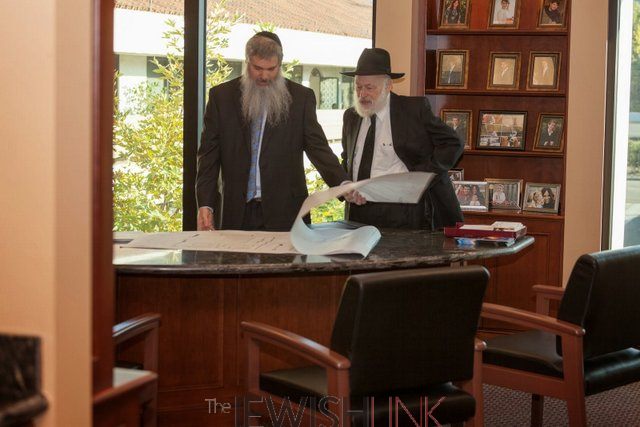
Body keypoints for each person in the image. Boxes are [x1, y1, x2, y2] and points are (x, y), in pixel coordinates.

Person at [196, 32, 350, 231]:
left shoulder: (300, 98)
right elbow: (208, 157)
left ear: (280, 65)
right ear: (247, 62)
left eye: (271, 69)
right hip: (236, 211)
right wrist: (205, 203)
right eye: (257, 68)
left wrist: (343, 184)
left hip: (286, 212)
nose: (264, 76)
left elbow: (318, 148)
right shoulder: (221, 97)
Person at [340, 48, 464, 229]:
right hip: (360, 211)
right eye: (358, 87)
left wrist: (419, 178)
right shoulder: (351, 117)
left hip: (402, 210)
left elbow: (453, 143)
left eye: (369, 88)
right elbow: (347, 158)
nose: (362, 94)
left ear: (388, 86)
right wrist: (345, 186)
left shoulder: (413, 110)